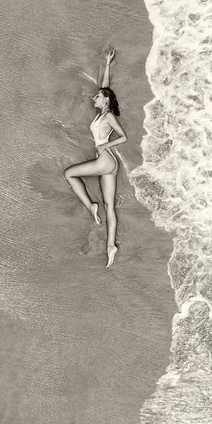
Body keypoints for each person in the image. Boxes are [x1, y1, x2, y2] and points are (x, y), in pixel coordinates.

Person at [64, 49, 128, 268]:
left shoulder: (108, 116)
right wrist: (107, 64)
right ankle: (111, 246)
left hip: (105, 160)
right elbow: (106, 86)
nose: (94, 97)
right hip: (109, 164)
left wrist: (104, 144)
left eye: (97, 96)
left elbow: (123, 137)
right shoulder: (102, 114)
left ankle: (90, 205)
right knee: (110, 207)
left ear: (106, 100)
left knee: (69, 173)